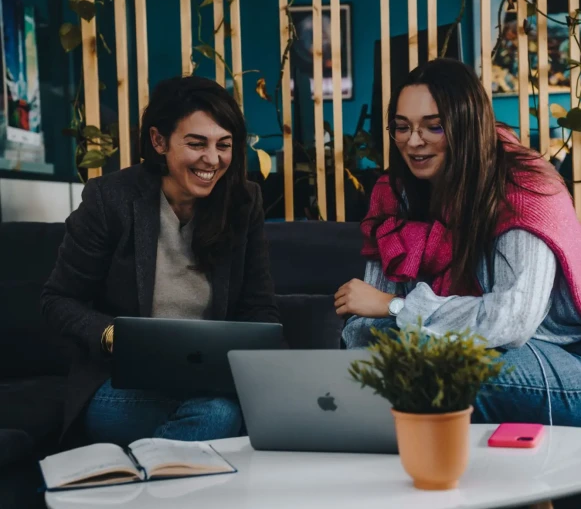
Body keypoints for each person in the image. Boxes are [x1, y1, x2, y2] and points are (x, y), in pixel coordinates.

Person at [336, 58, 581, 426]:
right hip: (451, 347)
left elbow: (511, 320)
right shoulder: (397, 193)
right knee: (400, 362)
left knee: (441, 370)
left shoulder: (525, 188)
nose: (413, 142)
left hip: (553, 356)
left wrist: (399, 308)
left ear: (467, 126)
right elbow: (368, 313)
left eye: (433, 127)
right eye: (401, 128)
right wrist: (346, 377)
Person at [42, 75, 281, 446]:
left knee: (219, 408)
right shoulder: (111, 199)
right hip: (119, 386)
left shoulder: (242, 201)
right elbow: (58, 301)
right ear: (158, 141)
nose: (213, 160)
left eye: (224, 145)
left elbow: (259, 308)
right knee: (220, 415)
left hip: (208, 386)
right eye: (196, 144)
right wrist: (110, 335)